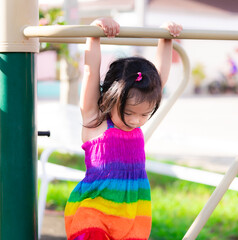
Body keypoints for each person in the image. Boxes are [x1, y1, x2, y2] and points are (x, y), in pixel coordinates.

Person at [64, 18, 182, 240]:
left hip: (131, 213)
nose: (137, 121)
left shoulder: (138, 115)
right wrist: (94, 34)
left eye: (145, 114)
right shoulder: (95, 120)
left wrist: (165, 38)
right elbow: (90, 73)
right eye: (129, 113)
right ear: (110, 98)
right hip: (95, 211)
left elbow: (160, 78)